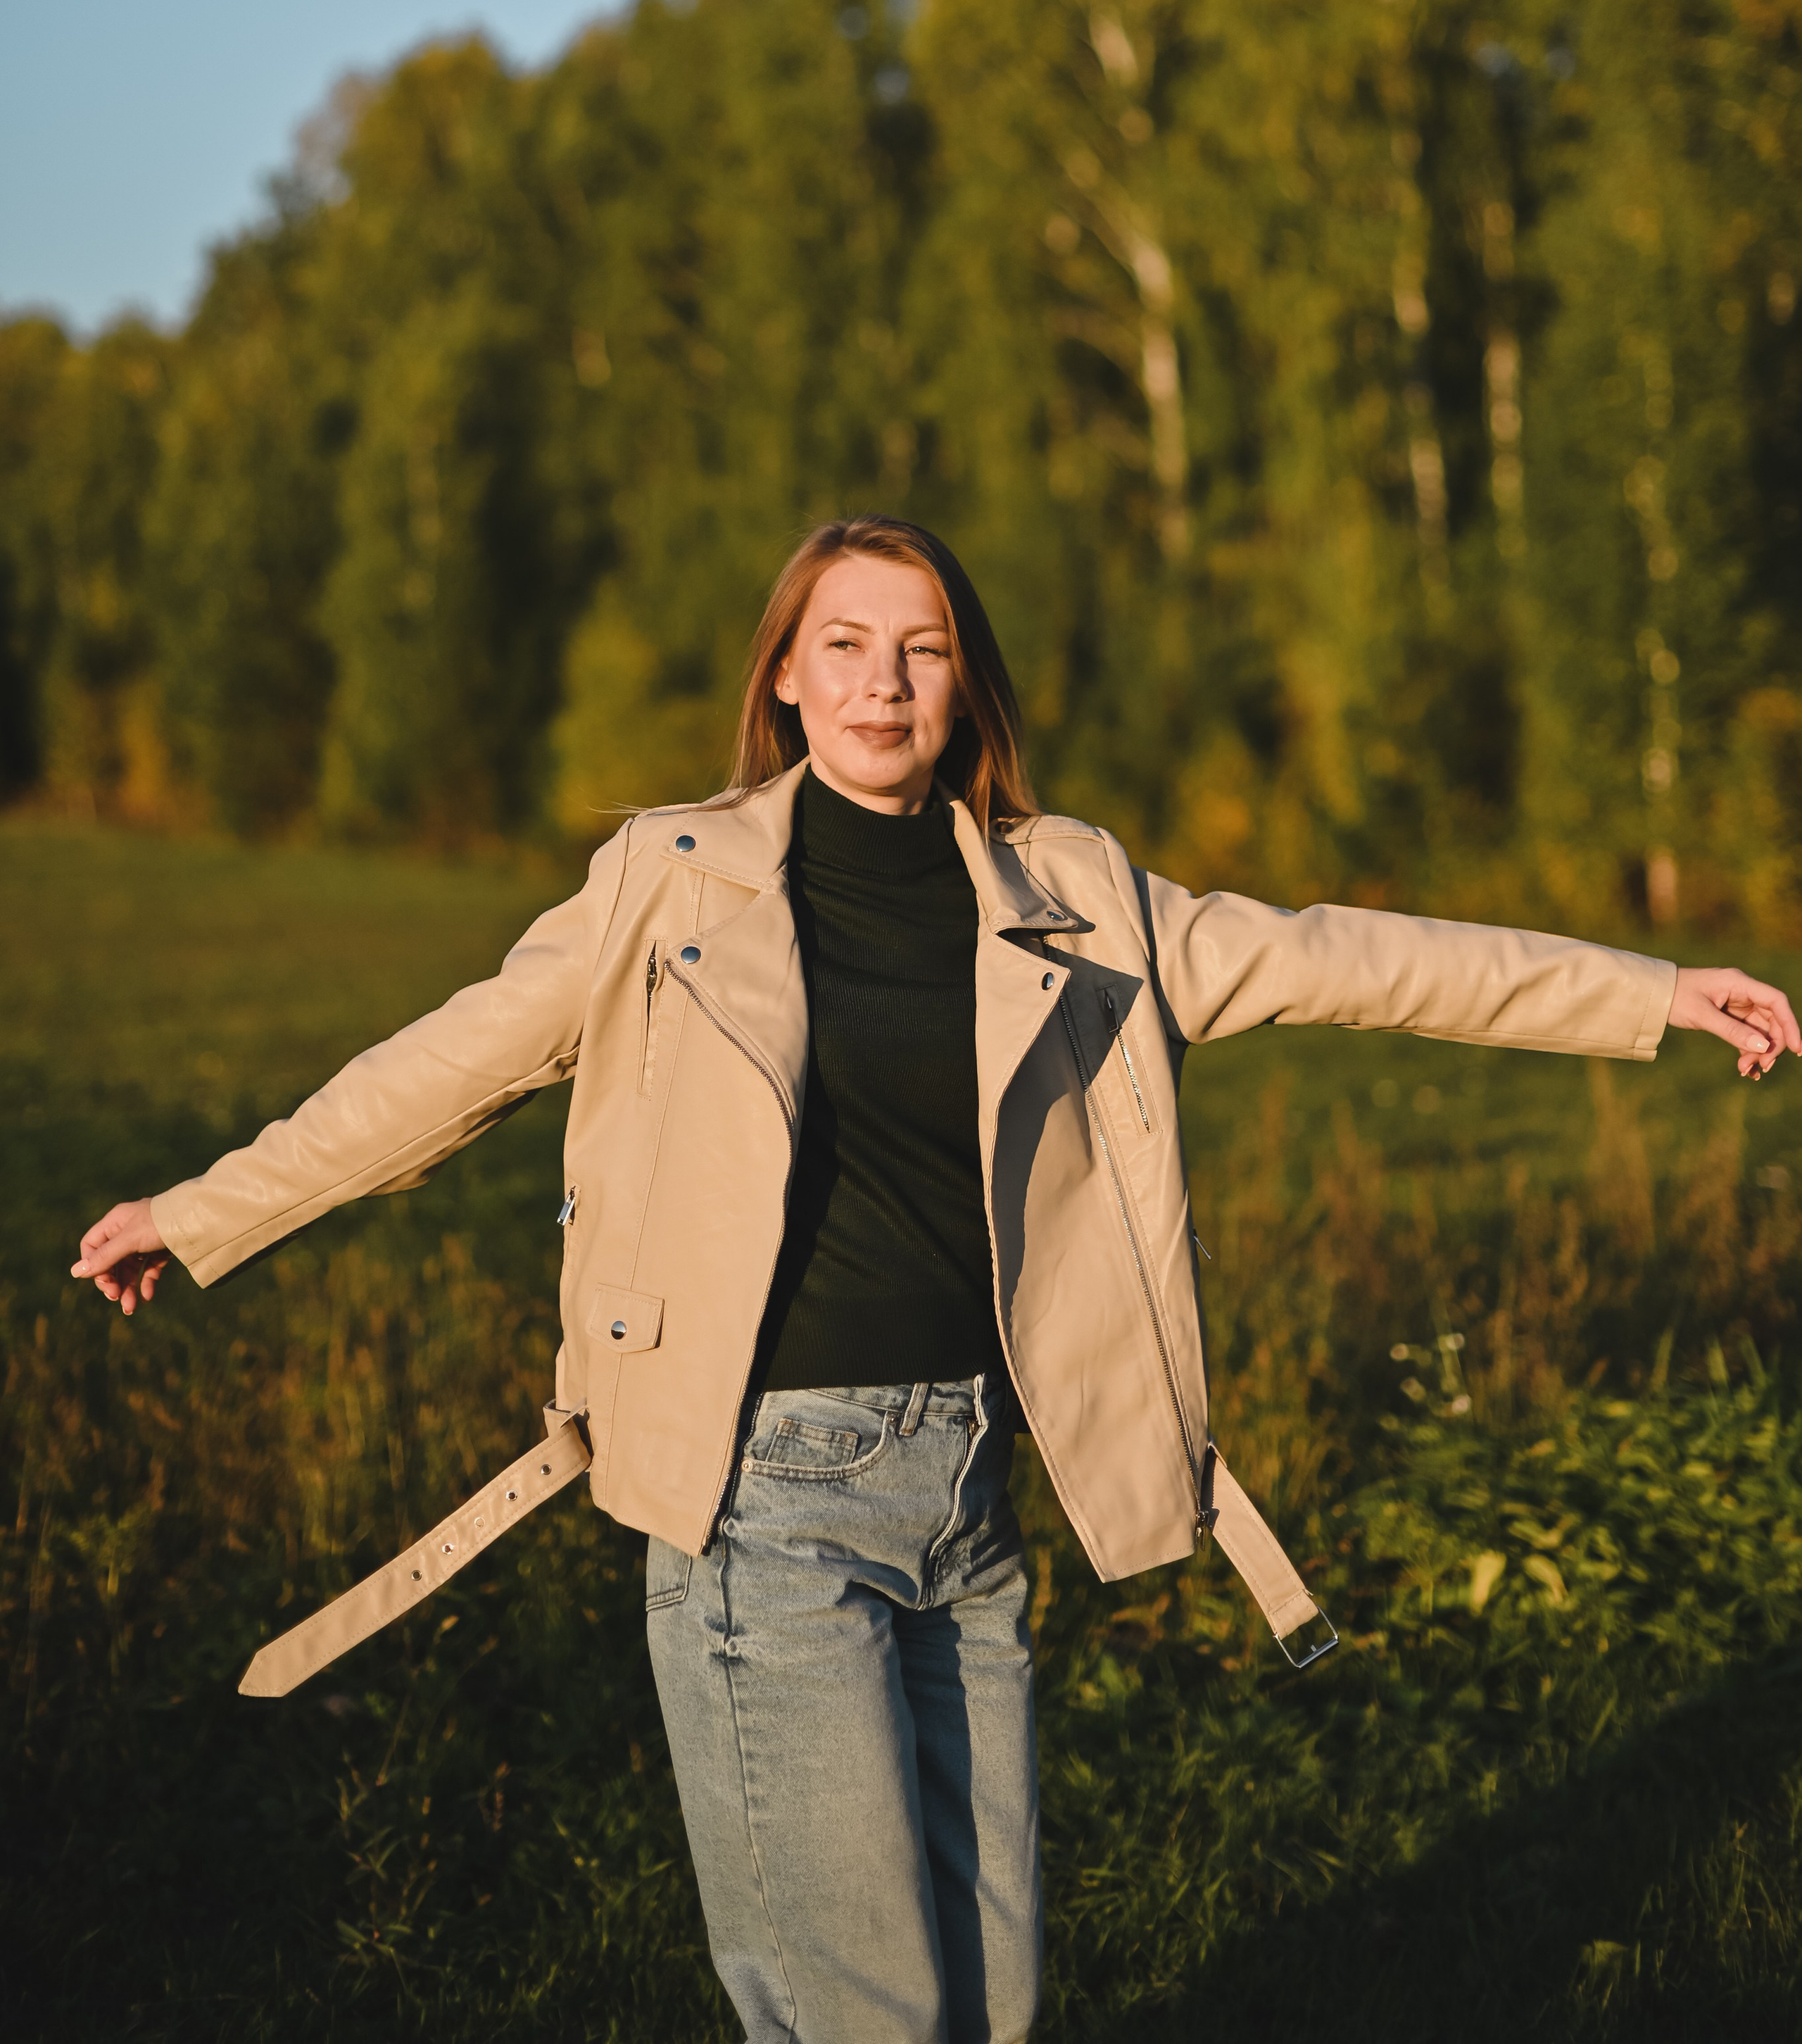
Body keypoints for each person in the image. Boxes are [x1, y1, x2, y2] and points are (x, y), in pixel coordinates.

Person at [74, 515, 1798, 2044]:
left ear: (963, 684)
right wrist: (203, 1211)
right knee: (867, 2015)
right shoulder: (667, 883)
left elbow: (1348, 957)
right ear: (786, 679)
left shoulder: (1071, 893)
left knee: (989, 2002)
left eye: (921, 646)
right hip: (763, 1502)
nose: (883, 680)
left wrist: (1645, 989)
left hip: (971, 1496)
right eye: (845, 643)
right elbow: (440, 1071)